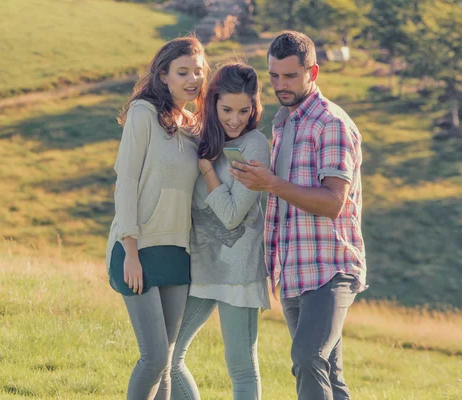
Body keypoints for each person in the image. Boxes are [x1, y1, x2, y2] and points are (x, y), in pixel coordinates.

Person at [230, 31, 367, 400]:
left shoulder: (331, 123)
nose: (280, 85)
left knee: (307, 358)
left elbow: (332, 202)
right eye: (274, 76)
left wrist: (271, 183)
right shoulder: (283, 123)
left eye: (290, 76)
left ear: (313, 72)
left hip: (330, 268)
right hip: (292, 268)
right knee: (327, 373)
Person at [105, 36, 209, 400]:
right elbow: (127, 181)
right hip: (139, 249)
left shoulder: (195, 126)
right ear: (164, 75)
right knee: (152, 358)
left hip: (177, 253)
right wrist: (130, 251)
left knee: (165, 364)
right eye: (183, 72)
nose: (192, 79)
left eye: (198, 71)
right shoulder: (142, 114)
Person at [170, 62, 271, 400]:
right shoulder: (199, 136)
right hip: (199, 265)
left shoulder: (253, 145)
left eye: (244, 110)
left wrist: (207, 171)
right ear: (212, 102)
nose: (235, 119)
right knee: (166, 358)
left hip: (238, 270)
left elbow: (230, 215)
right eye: (227, 109)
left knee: (241, 369)